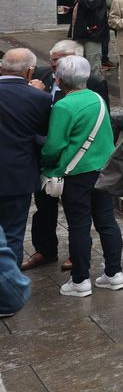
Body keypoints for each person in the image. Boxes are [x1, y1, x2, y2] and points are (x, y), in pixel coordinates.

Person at [42, 55, 123, 297]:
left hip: (76, 173)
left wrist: (46, 163)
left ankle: (80, 280)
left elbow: (54, 146)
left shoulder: (63, 106)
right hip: (103, 169)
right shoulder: (97, 98)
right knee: (107, 221)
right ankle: (114, 273)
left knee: (79, 226)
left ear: (59, 79)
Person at [0, 49, 52, 264]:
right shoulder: (40, 98)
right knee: (13, 233)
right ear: (30, 71)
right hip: (18, 174)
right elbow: (43, 133)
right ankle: (9, 280)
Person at [68, 0, 108, 73]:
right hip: (82, 32)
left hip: (92, 33)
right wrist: (70, 9)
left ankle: (96, 83)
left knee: (93, 63)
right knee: (80, 63)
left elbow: (88, 4)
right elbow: (82, 8)